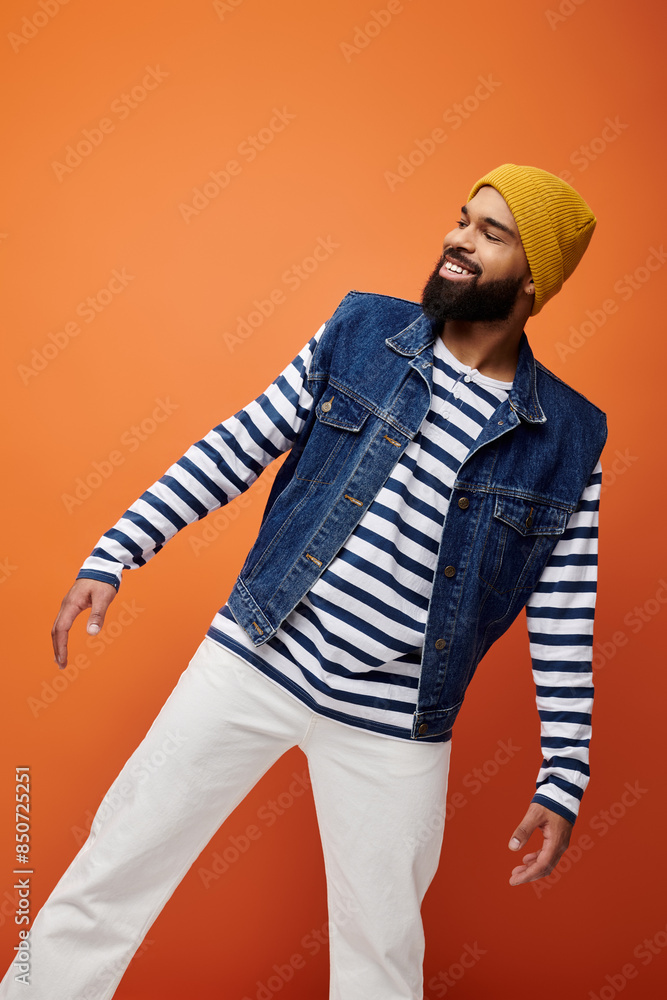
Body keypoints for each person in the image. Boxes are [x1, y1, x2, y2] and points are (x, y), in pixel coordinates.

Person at [1, 163, 606, 1000]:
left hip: (397, 719)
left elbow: (564, 615)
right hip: (255, 654)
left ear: (534, 278)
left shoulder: (567, 437)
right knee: (114, 868)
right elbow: (240, 443)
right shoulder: (361, 331)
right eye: (462, 219)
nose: (458, 240)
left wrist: (564, 773)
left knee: (379, 957)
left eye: (490, 233)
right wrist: (118, 548)